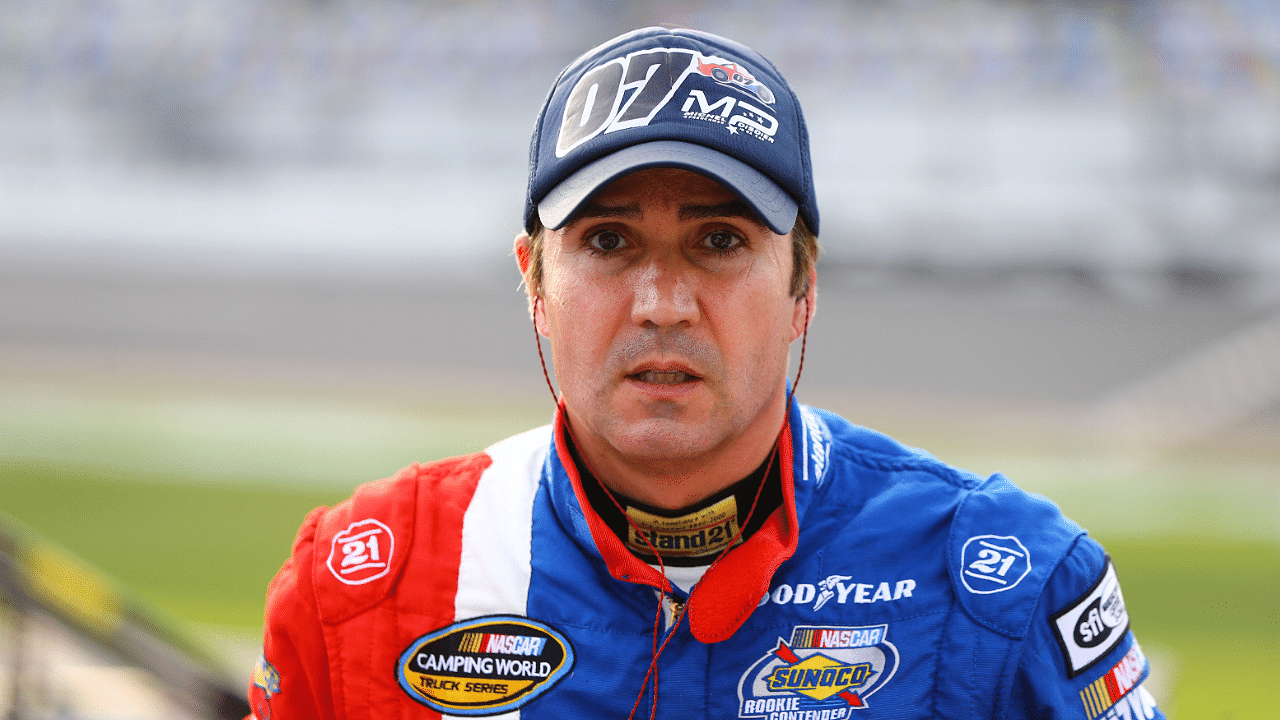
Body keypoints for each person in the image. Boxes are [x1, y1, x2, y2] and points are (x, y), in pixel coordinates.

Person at [247, 27, 1163, 720]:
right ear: (534, 282)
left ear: (803, 285)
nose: (662, 302)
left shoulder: (1007, 588)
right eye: (608, 242)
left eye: (719, 242)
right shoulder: (364, 585)